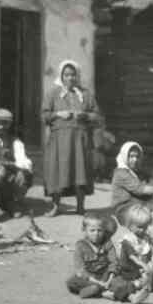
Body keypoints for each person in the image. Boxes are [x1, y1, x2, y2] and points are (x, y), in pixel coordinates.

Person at [42, 60, 100, 217]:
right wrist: (58, 114)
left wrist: (85, 115)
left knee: (79, 171)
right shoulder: (53, 94)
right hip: (59, 140)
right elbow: (44, 115)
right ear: (61, 76)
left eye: (73, 74)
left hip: (80, 140)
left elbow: (96, 116)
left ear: (77, 76)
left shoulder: (86, 94)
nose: (70, 78)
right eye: (66, 75)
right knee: (58, 171)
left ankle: (80, 206)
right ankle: (56, 206)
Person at [67, 213, 147, 303]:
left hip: (105, 276)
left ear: (104, 231)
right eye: (92, 230)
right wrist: (98, 282)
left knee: (120, 283)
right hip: (89, 278)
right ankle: (101, 292)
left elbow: (114, 262)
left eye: (99, 230)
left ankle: (131, 297)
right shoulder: (80, 246)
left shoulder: (107, 244)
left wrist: (110, 278)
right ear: (84, 230)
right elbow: (80, 270)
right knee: (73, 282)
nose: (96, 234)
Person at [114, 204, 153, 298]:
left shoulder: (145, 237)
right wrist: (144, 265)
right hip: (130, 268)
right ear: (129, 225)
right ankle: (138, 286)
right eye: (140, 227)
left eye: (146, 227)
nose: (143, 230)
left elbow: (152, 252)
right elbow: (133, 257)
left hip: (143, 266)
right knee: (143, 279)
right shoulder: (127, 240)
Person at [110, 142, 153, 224]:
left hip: (135, 204)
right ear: (124, 156)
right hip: (123, 209)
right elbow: (140, 190)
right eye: (131, 156)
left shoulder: (134, 171)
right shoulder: (121, 172)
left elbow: (151, 179)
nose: (135, 159)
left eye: (137, 156)